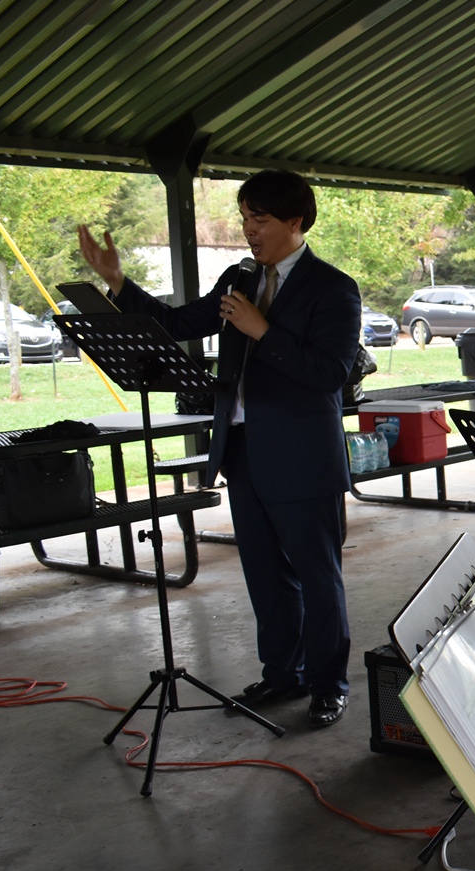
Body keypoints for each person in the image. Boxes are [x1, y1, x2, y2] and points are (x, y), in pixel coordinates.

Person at [78, 170, 361, 728]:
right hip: (244, 450)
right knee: (265, 574)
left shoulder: (333, 288)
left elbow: (330, 374)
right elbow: (176, 322)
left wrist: (262, 331)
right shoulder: (239, 277)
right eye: (244, 219)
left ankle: (328, 684)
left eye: (260, 219)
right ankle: (283, 673)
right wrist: (116, 281)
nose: (248, 230)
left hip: (304, 456)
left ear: (296, 221)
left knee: (317, 576)